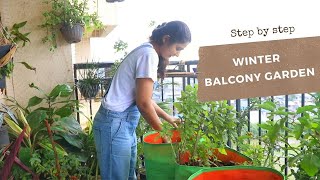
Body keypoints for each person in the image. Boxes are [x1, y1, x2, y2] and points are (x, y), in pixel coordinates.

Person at [93, 20, 192, 180]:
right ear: (166, 39)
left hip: (120, 125)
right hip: (114, 124)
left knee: (129, 176)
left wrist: (167, 117)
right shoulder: (148, 54)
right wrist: (163, 135)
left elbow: (145, 99)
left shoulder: (147, 51)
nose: (177, 54)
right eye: (178, 48)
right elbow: (144, 104)